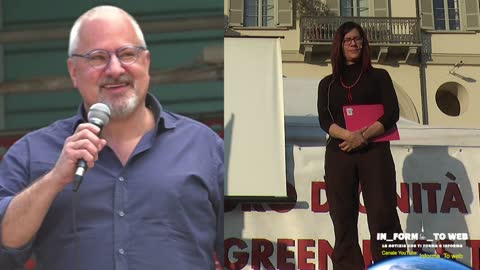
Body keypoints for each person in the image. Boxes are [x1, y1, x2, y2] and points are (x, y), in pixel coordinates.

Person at [0, 5, 223, 270]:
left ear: (146, 62)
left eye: (127, 54)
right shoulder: (30, 153)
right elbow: (5, 248)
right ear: (73, 71)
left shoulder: (204, 146)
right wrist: (54, 179)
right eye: (97, 57)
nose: (115, 69)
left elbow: (243, 249)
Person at [317, 21, 405, 269]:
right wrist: (349, 136)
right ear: (340, 45)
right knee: (343, 218)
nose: (353, 44)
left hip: (375, 151)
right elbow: (325, 120)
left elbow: (391, 114)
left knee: (383, 214)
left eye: (358, 39)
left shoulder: (380, 76)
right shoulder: (328, 83)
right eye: (348, 40)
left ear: (364, 44)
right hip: (340, 153)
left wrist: (363, 137)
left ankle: (393, 264)